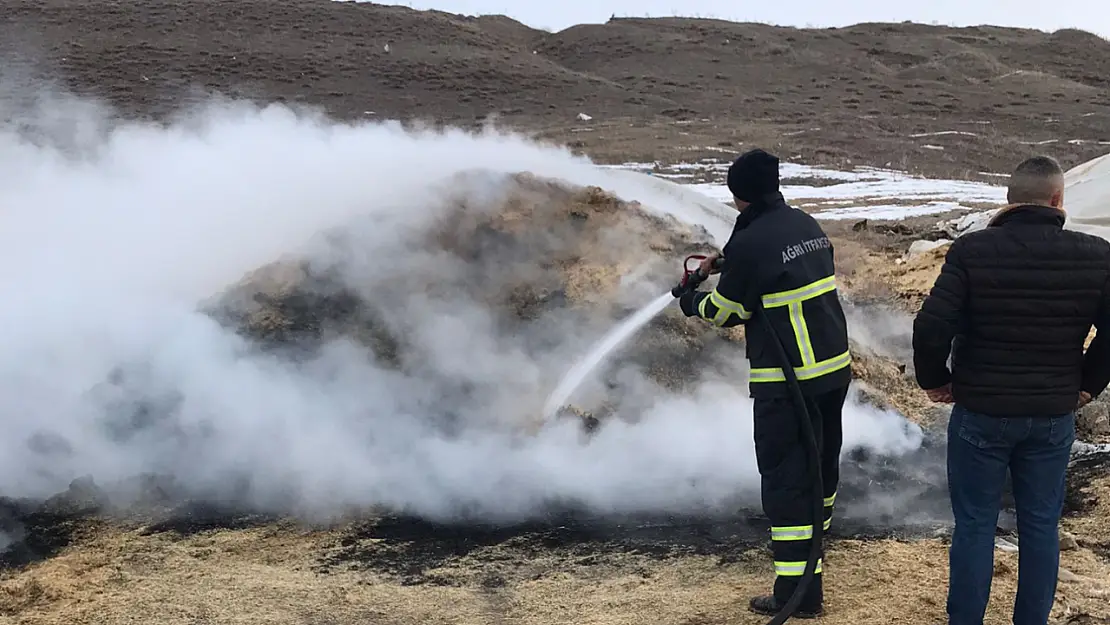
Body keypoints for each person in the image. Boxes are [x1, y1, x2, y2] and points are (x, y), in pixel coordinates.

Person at [912, 154, 1110, 625]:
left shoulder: (972, 251)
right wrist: (1086, 386)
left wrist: (935, 380)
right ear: (1059, 199)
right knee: (1041, 527)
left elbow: (931, 326)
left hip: (981, 411)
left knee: (976, 526)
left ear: (1009, 200)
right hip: (1052, 416)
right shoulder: (1097, 255)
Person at [677, 148, 852, 618]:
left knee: (786, 483)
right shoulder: (804, 225)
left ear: (738, 194)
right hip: (832, 372)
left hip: (788, 382)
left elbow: (726, 311)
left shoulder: (754, 244)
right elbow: (774, 270)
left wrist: (692, 301)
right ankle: (813, 562)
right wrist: (724, 262)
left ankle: (798, 595)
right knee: (820, 471)